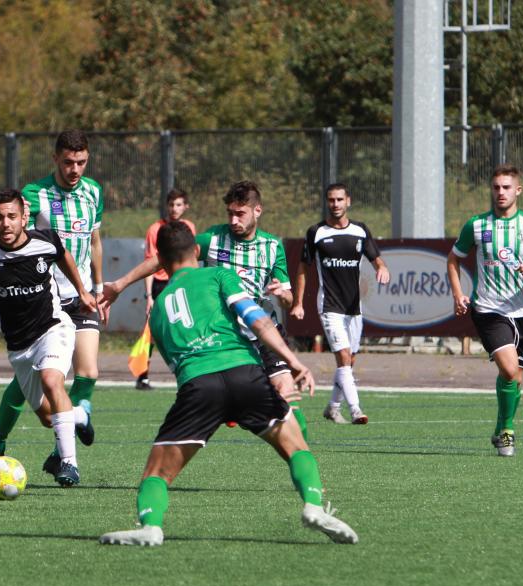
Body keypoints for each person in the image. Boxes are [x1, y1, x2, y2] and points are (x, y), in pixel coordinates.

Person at [99, 221, 358, 546]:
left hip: (198, 386)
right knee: (296, 448)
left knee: (156, 474)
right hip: (244, 373)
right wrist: (294, 362)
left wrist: (212, 404)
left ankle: (150, 525)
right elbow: (258, 320)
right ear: (196, 251)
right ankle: (314, 506)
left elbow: (178, 363)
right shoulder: (219, 275)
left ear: (161, 263)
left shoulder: (159, 309)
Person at [100, 180, 309, 439]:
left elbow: (288, 299)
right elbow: (164, 256)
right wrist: (119, 284)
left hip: (262, 327)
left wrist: (284, 295)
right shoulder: (213, 238)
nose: (234, 220)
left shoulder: (272, 246)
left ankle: (300, 455)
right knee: (237, 397)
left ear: (257, 211)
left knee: (286, 391)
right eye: (230, 213)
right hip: (227, 335)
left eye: (240, 213)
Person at [0, 129, 105, 481]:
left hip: (81, 297)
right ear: (55, 159)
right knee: (29, 384)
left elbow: (95, 241)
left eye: (81, 162)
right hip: (45, 299)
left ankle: (61, 452)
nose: (75, 169)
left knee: (89, 373)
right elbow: (14, 232)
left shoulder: (94, 192)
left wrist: (97, 287)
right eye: (68, 162)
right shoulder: (34, 195)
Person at [0, 188, 97, 486]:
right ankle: (79, 416)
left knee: (52, 380)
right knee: (49, 418)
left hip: (53, 327)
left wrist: (83, 291)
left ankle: (69, 463)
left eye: (11, 216)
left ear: (24, 217)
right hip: (19, 346)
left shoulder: (44, 241)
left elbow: (64, 256)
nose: (5, 224)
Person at [447, 164, 523, 457]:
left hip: (522, 310)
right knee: (508, 369)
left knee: (515, 377)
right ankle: (507, 431)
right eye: (496, 187)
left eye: (506, 187)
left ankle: (499, 428)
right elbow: (453, 260)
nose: (501, 192)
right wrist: (458, 294)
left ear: (517, 190)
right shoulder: (476, 225)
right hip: (488, 308)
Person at [289, 183, 390, 425]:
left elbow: (376, 258)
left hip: (354, 307)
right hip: (329, 305)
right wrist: (298, 302)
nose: (335, 204)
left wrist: (382, 268)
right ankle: (356, 409)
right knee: (343, 356)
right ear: (327, 202)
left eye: (339, 200)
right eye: (331, 200)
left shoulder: (360, 230)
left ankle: (333, 407)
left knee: (350, 360)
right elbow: (303, 267)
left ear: (348, 201)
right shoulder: (316, 232)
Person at [135, 188, 196, 390]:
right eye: (171, 204)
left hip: (181, 282)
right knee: (151, 330)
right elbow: (150, 262)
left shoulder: (189, 228)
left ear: (185, 207)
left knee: (187, 327)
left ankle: (191, 371)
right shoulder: (155, 229)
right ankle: (142, 375)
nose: (174, 209)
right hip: (160, 285)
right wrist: (149, 296)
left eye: (179, 204)